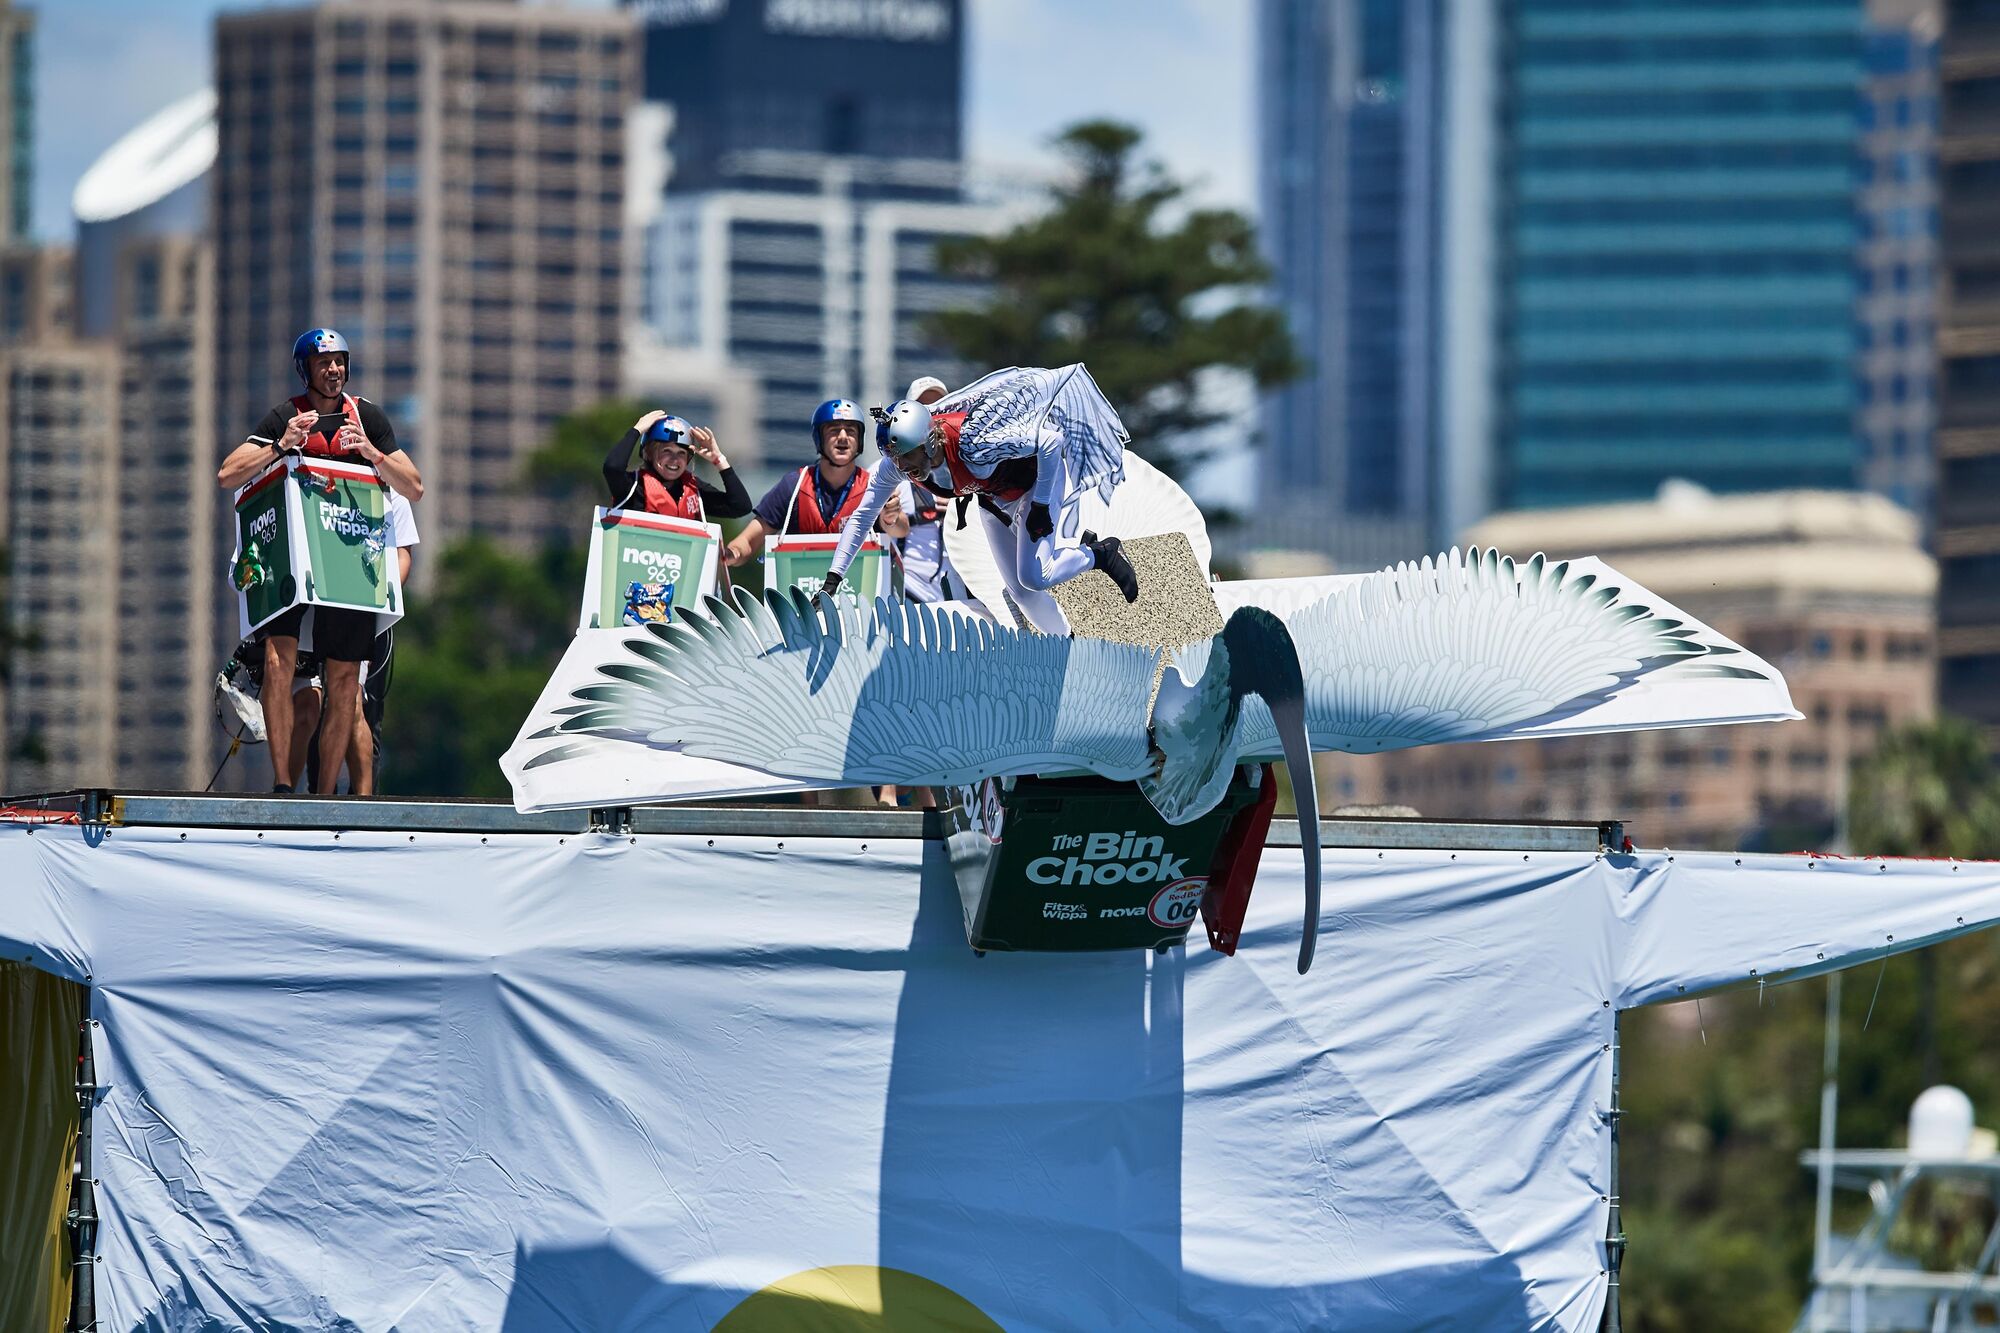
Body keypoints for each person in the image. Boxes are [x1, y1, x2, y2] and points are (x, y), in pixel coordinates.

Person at [216, 327, 423, 794]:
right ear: (305, 369)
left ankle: (327, 792)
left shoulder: (367, 416)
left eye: (339, 361)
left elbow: (414, 487)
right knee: (277, 662)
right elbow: (228, 474)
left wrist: (369, 450)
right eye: (323, 362)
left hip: (347, 566)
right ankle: (284, 783)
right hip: (293, 565)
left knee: (346, 685)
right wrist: (281, 445)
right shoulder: (285, 416)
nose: (333, 370)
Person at [822, 365, 1137, 636]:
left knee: (1034, 576)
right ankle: (1068, 646)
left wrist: (1041, 504)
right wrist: (833, 577)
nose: (903, 469)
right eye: (896, 459)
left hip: (1036, 484)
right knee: (1021, 592)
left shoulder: (974, 442)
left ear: (929, 441)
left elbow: (1052, 442)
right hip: (992, 498)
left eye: (907, 457)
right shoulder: (898, 465)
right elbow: (863, 517)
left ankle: (1099, 553)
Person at [723, 398, 907, 567]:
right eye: (834, 430)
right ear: (819, 438)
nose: (843, 437)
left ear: (859, 440)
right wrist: (730, 554)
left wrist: (892, 517)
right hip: (799, 594)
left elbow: (901, 530)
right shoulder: (793, 486)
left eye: (851, 431)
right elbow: (748, 541)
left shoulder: (873, 487)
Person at [604, 410, 752, 520]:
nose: (674, 459)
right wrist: (637, 430)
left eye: (681, 453)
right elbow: (612, 467)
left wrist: (719, 459)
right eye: (666, 451)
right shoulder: (633, 486)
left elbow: (740, 507)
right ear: (649, 453)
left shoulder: (695, 489)